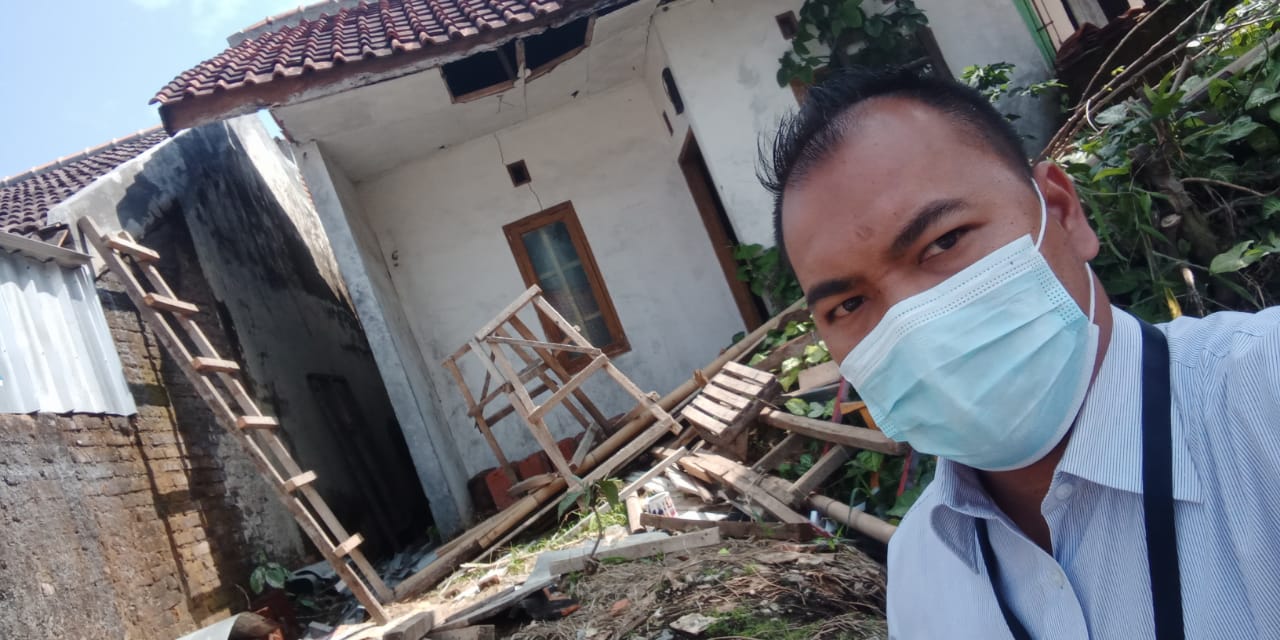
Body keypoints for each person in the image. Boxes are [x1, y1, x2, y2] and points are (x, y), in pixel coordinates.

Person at [761, 66, 1280, 639]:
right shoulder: (920, 573)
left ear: (1062, 210)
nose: (910, 321)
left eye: (944, 240)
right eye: (849, 304)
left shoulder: (1264, 394)